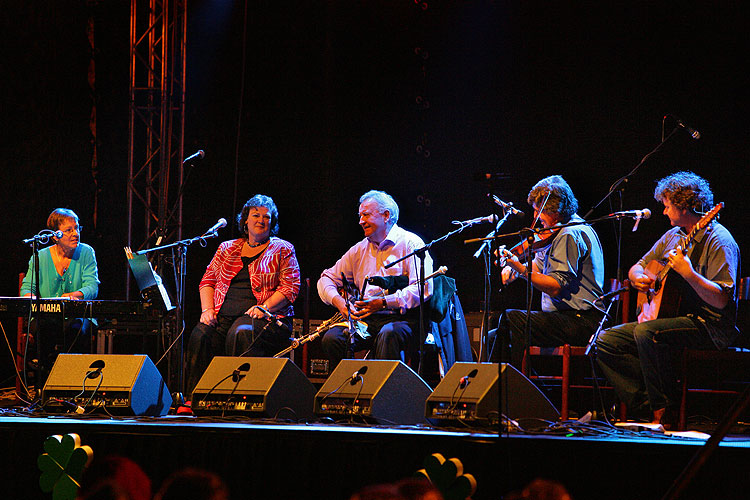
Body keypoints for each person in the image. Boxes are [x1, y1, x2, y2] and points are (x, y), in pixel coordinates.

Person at [596, 171, 739, 428]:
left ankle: (663, 414)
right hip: (675, 318)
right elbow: (638, 265)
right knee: (606, 341)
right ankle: (647, 405)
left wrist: (689, 273)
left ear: (686, 206)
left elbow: (722, 301)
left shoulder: (719, 239)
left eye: (667, 206)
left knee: (647, 332)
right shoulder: (674, 236)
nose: (664, 212)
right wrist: (639, 277)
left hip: (711, 325)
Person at [185, 195, 301, 394]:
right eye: (256, 215)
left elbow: (290, 287)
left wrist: (264, 307)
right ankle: (195, 398)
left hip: (267, 318)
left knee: (241, 332)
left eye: (267, 217)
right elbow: (207, 281)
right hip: (223, 316)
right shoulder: (227, 248)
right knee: (200, 335)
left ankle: (238, 396)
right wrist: (207, 310)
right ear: (245, 220)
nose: (261, 220)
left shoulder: (282, 249)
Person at [487, 175, 605, 368]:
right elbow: (540, 267)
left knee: (512, 319)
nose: (535, 217)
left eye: (538, 211)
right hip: (566, 318)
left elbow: (556, 287)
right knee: (495, 331)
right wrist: (514, 267)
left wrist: (520, 269)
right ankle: (498, 385)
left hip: (581, 321)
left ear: (555, 211)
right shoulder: (558, 231)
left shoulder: (569, 233)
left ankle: (515, 386)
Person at [318, 190, 433, 370]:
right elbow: (325, 279)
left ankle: (384, 395)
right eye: (360, 216)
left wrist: (384, 303)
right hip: (368, 320)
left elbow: (423, 289)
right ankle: (345, 392)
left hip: (403, 319)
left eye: (366, 215)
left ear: (386, 215)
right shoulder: (359, 250)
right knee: (333, 338)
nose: (360, 221)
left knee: (388, 334)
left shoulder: (412, 244)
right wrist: (340, 303)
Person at [20, 208, 100, 380]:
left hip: (79, 315)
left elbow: (92, 286)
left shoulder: (86, 252)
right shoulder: (39, 257)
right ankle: (48, 381)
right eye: (69, 230)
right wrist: (30, 299)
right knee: (43, 328)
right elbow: (27, 288)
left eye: (77, 228)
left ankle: (73, 381)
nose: (75, 233)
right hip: (47, 316)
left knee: (75, 329)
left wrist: (75, 295)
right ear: (55, 235)